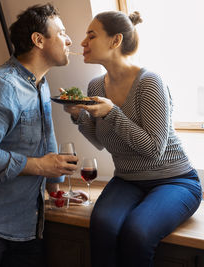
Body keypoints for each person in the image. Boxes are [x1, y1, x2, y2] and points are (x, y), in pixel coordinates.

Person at [0, 3, 87, 267]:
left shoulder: (41, 84)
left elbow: (46, 141)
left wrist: (56, 190)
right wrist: (38, 166)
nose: (70, 40)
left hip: (27, 224)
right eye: (61, 32)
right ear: (38, 40)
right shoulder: (4, 86)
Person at [63, 10, 202, 267]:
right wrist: (77, 115)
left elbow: (153, 150)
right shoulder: (95, 87)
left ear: (115, 41)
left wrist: (112, 113)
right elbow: (100, 141)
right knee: (101, 227)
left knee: (136, 234)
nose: (82, 42)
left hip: (175, 182)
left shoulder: (150, 83)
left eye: (91, 36)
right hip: (127, 180)